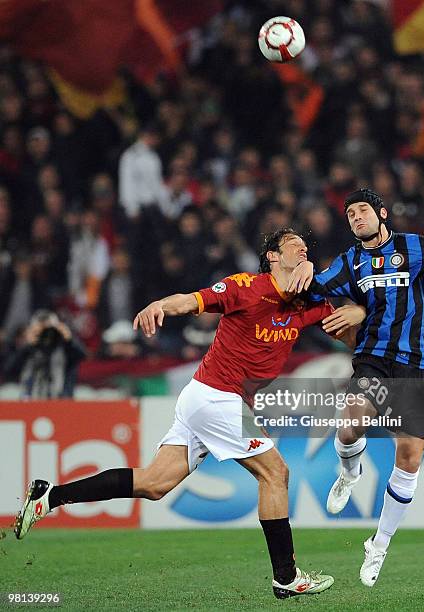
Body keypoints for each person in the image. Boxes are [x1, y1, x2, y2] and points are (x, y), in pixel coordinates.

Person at [14, 229, 366, 600]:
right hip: (217, 395)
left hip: (210, 398)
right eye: (296, 246)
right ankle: (286, 576)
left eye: (307, 248)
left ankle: (50, 496)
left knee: (153, 484)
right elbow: (191, 300)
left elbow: (348, 327)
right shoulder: (245, 287)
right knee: (275, 472)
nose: (305, 251)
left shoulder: (306, 302)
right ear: (273, 256)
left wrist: (362, 321)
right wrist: (160, 306)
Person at [289, 188, 424, 587]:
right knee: (349, 423)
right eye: (350, 213)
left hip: (419, 363)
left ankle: (380, 543)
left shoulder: (414, 247)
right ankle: (349, 472)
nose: (356, 217)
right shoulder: (349, 262)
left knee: (408, 458)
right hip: (374, 356)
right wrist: (300, 273)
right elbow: (312, 292)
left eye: (362, 210)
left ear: (382, 213)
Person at [3, 309, 86, 398]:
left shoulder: (66, 350)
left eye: (49, 330)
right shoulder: (28, 350)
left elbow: (82, 355)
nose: (46, 335)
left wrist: (69, 340)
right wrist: (28, 345)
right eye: (41, 330)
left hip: (61, 405)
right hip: (28, 404)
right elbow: (8, 371)